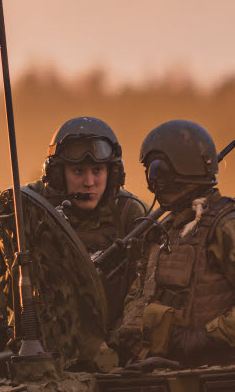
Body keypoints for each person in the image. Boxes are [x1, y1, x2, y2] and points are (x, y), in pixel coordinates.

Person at [113, 120, 235, 367]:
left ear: (178, 172)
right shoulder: (166, 228)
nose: (153, 181)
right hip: (159, 366)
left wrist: (204, 337)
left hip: (216, 372)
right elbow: (141, 293)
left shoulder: (229, 225)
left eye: (158, 171)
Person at [25, 116, 147, 326]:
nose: (89, 182)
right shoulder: (34, 208)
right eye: (78, 171)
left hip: (115, 337)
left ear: (113, 173)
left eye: (97, 170)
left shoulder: (129, 213)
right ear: (57, 175)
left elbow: (145, 289)